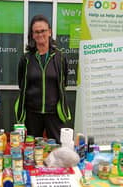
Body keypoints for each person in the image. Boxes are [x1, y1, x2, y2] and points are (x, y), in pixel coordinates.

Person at [15, 14, 71, 143]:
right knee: (31, 149)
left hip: (54, 113)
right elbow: (21, 84)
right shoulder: (26, 59)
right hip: (32, 113)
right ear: (32, 35)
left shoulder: (60, 57)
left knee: (58, 147)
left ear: (50, 32)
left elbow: (64, 83)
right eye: (36, 32)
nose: (40, 34)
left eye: (43, 31)